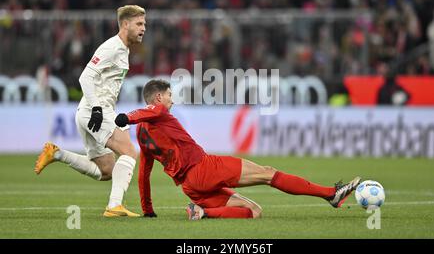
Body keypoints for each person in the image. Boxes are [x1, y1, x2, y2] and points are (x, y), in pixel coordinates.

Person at [114, 79, 361, 220]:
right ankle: (331, 194)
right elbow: (144, 113)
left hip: (190, 186)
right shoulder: (159, 113)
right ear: (158, 98)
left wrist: (148, 210)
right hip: (204, 168)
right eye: (169, 95)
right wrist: (125, 116)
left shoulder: (143, 136)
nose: (172, 100)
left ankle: (203, 212)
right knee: (268, 173)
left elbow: (143, 174)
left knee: (254, 211)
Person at [34, 5, 147, 217]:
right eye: (139, 24)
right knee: (130, 152)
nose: (143, 28)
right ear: (125, 24)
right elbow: (85, 77)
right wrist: (96, 108)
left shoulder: (124, 49)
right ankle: (114, 206)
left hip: (89, 112)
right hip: (97, 111)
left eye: (144, 24)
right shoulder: (112, 47)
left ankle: (57, 154)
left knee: (107, 171)